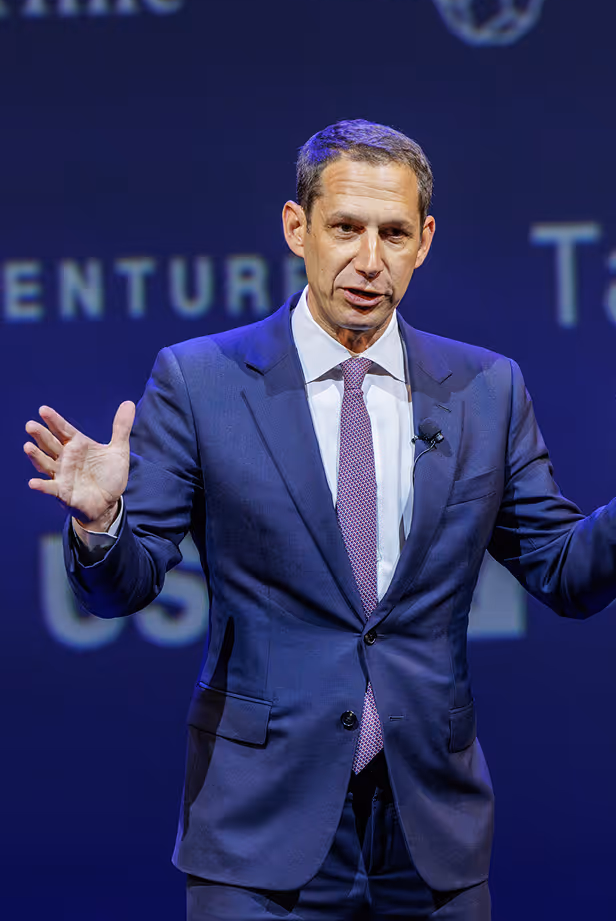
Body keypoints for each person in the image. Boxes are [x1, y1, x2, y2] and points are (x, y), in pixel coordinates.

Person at [24, 120, 616, 920]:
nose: (369, 261)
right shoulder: (201, 381)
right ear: (296, 228)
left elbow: (567, 572)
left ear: (425, 241)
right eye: (345, 228)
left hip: (430, 832)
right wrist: (102, 525)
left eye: (393, 234)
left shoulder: (486, 390)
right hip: (258, 837)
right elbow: (125, 587)